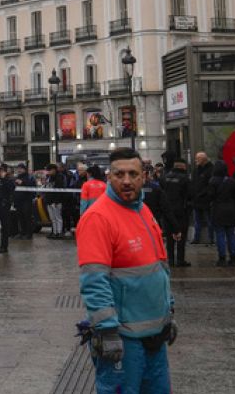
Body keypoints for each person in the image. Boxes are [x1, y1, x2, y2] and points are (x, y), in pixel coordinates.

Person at [76, 147, 175, 393]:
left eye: (133, 174)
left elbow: (159, 266)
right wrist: (107, 331)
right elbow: (94, 281)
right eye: (119, 174)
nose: (127, 181)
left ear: (144, 177)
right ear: (109, 177)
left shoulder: (143, 210)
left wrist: (167, 311)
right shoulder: (98, 218)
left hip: (154, 334)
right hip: (123, 337)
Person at [159, 157, 193, 268]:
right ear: (182, 166)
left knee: (169, 237)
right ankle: (180, 260)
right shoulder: (185, 179)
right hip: (181, 211)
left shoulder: (164, 177)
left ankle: (171, 260)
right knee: (181, 236)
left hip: (167, 212)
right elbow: (189, 196)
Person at [209, 160, 235, 266]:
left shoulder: (213, 181)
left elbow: (211, 196)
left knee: (220, 235)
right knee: (231, 234)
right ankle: (233, 257)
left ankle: (222, 258)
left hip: (218, 210)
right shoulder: (232, 181)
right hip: (231, 210)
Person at [191, 152, 213, 245]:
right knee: (197, 220)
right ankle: (196, 238)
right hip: (197, 200)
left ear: (204, 159)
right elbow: (194, 183)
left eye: (198, 158)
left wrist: (202, 193)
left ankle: (211, 238)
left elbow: (210, 185)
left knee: (209, 220)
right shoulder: (196, 170)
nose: (196, 160)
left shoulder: (211, 169)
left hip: (206, 200)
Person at [47, 162, 69, 238]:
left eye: (49, 170)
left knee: (58, 217)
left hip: (57, 201)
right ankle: (55, 232)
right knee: (53, 218)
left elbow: (59, 191)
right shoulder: (49, 178)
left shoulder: (59, 177)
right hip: (50, 201)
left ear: (53, 170)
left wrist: (56, 201)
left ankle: (59, 232)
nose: (48, 172)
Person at [13, 164, 36, 238]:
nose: (19, 170)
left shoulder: (29, 177)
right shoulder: (17, 177)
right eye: (18, 168)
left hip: (26, 200)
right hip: (18, 201)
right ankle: (22, 232)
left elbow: (31, 186)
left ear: (24, 169)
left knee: (27, 217)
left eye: (20, 168)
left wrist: (22, 183)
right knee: (20, 217)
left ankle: (29, 234)